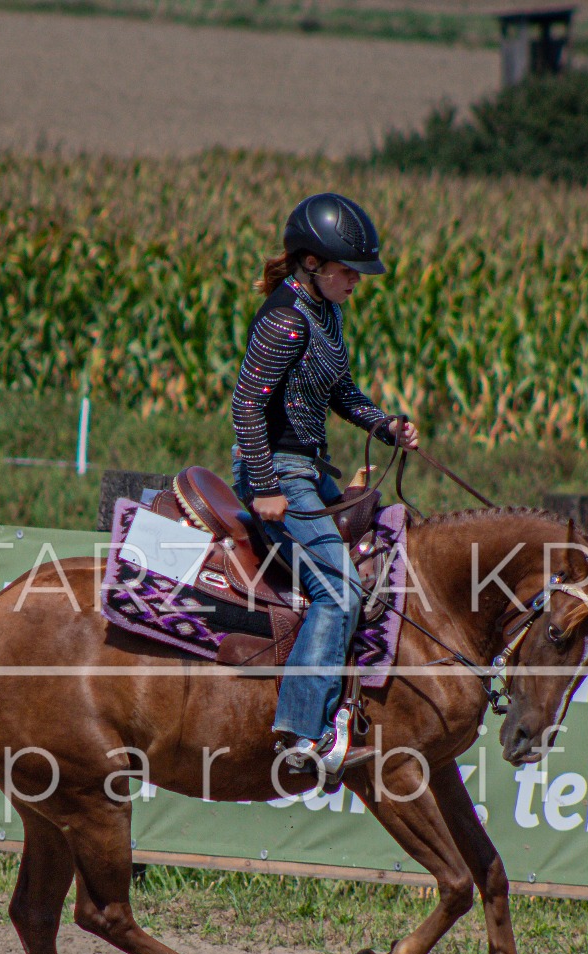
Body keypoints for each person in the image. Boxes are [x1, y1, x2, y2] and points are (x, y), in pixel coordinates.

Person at [230, 192, 420, 782]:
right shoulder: (286, 319)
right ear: (311, 263)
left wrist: (382, 424)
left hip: (312, 471)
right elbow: (246, 406)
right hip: (279, 472)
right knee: (338, 586)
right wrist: (263, 485)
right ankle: (302, 732)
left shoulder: (326, 313)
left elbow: (339, 390)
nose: (356, 283)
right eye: (347, 271)